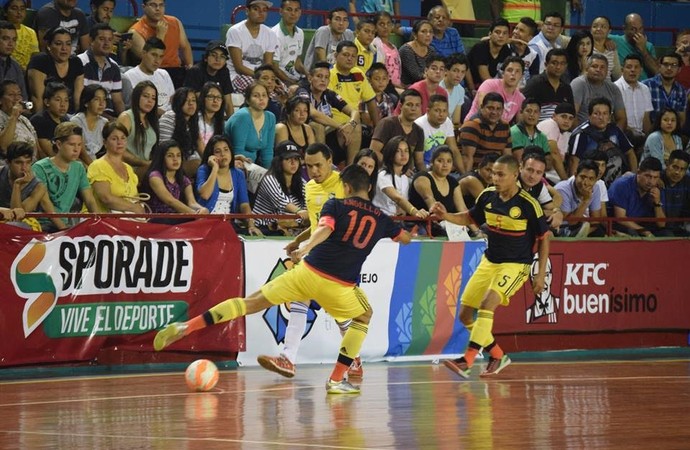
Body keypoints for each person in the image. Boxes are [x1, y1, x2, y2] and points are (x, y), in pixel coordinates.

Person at [154, 164, 412, 395]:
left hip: (306, 273)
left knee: (250, 302)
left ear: (345, 186)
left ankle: (187, 327)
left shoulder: (335, 205)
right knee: (363, 317)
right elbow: (405, 238)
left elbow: (324, 228)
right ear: (368, 188)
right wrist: (397, 228)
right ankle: (336, 380)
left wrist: (305, 248)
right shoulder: (382, 219)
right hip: (340, 285)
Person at [435, 154, 550, 378]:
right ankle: (498, 355)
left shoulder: (528, 204)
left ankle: (467, 360)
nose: (494, 178)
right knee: (466, 316)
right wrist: (445, 215)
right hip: (489, 261)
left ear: (515, 176)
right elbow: (470, 218)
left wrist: (541, 273)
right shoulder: (487, 196)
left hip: (516, 266)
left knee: (488, 304)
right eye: (492, 173)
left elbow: (544, 238)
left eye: (500, 174)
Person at [32, 122, 99, 230]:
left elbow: (90, 199)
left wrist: (99, 221)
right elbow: (45, 203)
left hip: (65, 226)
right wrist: (64, 229)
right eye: (72, 144)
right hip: (41, 225)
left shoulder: (79, 168)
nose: (76, 149)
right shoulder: (39, 167)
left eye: (79, 145)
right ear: (58, 144)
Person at [195, 135, 261, 235]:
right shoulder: (204, 170)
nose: (223, 154)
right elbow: (205, 194)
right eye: (218, 151)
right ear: (211, 155)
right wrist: (215, 169)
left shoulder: (238, 174)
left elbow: (244, 204)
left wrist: (251, 225)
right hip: (206, 224)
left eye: (226, 150)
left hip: (228, 225)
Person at [328, 40, 378, 164]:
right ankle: (351, 168)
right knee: (356, 127)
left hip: (353, 123)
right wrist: (344, 126)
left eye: (353, 56)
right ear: (335, 56)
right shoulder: (329, 75)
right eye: (345, 55)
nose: (349, 58)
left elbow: (371, 101)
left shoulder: (358, 74)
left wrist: (378, 127)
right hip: (333, 126)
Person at [568, 97, 636, 186]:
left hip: (617, 182)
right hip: (589, 183)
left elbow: (630, 154)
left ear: (610, 116)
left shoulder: (615, 130)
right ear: (589, 115)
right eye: (597, 114)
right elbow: (574, 161)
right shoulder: (581, 134)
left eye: (605, 113)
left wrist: (634, 177)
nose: (601, 117)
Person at [295, 61, 359, 156]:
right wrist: (340, 127)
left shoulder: (330, 94)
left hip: (327, 134)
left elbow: (354, 111)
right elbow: (313, 113)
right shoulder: (303, 91)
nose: (323, 80)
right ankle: (319, 161)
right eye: (319, 76)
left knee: (356, 127)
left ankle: (351, 168)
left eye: (326, 77)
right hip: (304, 133)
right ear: (310, 78)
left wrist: (351, 124)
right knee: (318, 126)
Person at [409, 145, 473, 237]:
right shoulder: (422, 177)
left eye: (449, 161)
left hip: (446, 226)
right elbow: (429, 198)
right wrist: (442, 216)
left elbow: (462, 208)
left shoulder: (453, 182)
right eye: (440, 161)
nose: (445, 165)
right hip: (421, 226)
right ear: (432, 162)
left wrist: (477, 231)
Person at [129, 0, 193, 88]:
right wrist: (160, 35)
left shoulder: (174, 22)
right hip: (153, 72)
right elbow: (147, 59)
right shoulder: (136, 32)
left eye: (161, 5)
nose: (158, 9)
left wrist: (191, 69)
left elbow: (185, 46)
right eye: (153, 5)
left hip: (176, 71)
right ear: (144, 7)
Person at [0, 141, 62, 231]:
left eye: (28, 162)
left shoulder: (38, 187)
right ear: (8, 162)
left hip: (20, 227)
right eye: (18, 163)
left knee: (17, 226)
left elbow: (18, 216)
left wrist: (17, 185)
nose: (24, 168)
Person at [87, 121, 146, 214]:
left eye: (123, 138)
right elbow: (106, 198)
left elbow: (135, 198)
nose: (120, 142)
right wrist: (134, 208)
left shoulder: (128, 168)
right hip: (101, 221)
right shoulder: (98, 165)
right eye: (114, 139)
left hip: (126, 220)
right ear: (105, 143)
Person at [141, 140, 208, 220]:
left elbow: (192, 202)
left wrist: (201, 210)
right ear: (162, 158)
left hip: (175, 218)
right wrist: (194, 214)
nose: (175, 159)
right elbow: (170, 201)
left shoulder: (184, 179)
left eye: (178, 155)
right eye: (170, 156)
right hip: (156, 219)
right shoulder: (155, 176)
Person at [252, 140, 308, 235]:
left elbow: (308, 201)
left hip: (289, 228)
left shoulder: (301, 182)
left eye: (296, 158)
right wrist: (300, 211)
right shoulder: (269, 179)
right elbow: (281, 202)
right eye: (288, 159)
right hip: (264, 228)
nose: (293, 162)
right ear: (279, 161)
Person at [27, 26, 84, 114]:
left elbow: (78, 99)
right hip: (46, 115)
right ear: (49, 46)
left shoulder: (76, 63)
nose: (64, 48)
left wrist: (78, 120)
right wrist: (40, 123)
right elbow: (37, 99)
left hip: (69, 115)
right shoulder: (40, 61)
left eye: (68, 44)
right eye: (58, 43)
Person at [225, 0, 277, 93]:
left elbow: (268, 65)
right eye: (256, 9)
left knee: (285, 90)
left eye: (264, 10)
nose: (261, 13)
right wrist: (261, 78)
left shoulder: (271, 34)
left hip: (261, 76)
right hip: (237, 75)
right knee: (259, 91)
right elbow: (239, 67)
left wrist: (269, 79)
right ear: (247, 11)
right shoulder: (235, 31)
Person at [608, 157, 669, 237]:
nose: (651, 182)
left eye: (655, 177)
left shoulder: (657, 189)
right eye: (648, 176)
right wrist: (645, 231)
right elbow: (620, 218)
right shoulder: (622, 185)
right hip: (620, 226)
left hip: (642, 225)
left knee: (667, 234)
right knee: (633, 234)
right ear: (638, 172)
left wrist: (657, 203)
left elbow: (661, 224)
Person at [373, 135, 429, 219]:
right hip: (381, 220)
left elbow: (404, 205)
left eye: (406, 151)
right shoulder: (383, 175)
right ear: (390, 153)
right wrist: (415, 212)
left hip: (399, 222)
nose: (403, 154)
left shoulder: (406, 178)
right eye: (398, 151)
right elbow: (397, 198)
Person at [78, 23, 125, 118]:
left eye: (110, 40)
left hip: (109, 117)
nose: (107, 43)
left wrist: (123, 121)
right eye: (102, 39)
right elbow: (80, 100)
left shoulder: (114, 67)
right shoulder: (79, 62)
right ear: (91, 41)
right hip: (86, 115)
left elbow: (118, 101)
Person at [225, 82, 276, 169]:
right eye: (256, 96)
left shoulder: (270, 117)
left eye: (264, 95)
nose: (261, 99)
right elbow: (238, 153)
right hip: (232, 165)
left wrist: (269, 174)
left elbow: (267, 152)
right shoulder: (243, 116)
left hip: (252, 166)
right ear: (248, 100)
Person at [571, 54, 627, 130]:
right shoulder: (578, 84)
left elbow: (622, 118)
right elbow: (572, 115)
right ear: (587, 69)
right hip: (584, 133)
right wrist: (583, 135)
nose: (598, 70)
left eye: (602, 67)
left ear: (607, 71)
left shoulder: (613, 88)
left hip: (607, 134)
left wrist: (613, 137)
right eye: (594, 66)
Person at [465, 56, 525, 125]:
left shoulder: (520, 98)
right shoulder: (489, 84)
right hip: (474, 126)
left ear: (522, 76)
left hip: (498, 133)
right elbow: (483, 110)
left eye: (517, 71)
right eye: (509, 70)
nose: (513, 74)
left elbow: (520, 125)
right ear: (503, 73)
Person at [460, 92, 512, 171]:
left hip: (495, 173)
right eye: (490, 108)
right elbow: (467, 157)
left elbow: (507, 157)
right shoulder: (472, 125)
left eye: (498, 109)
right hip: (475, 172)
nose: (494, 112)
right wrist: (467, 179)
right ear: (481, 108)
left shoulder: (505, 127)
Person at [370, 89, 426, 164]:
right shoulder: (387, 124)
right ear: (400, 106)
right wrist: (395, 167)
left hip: (407, 173)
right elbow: (373, 151)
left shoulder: (419, 131)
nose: (413, 109)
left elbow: (419, 162)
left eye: (417, 105)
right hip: (385, 171)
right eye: (409, 104)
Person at [117, 80, 159, 175]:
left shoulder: (151, 120)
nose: (150, 101)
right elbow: (118, 149)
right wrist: (145, 163)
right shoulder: (126, 118)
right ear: (136, 97)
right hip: (128, 168)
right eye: (146, 96)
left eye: (153, 98)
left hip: (147, 167)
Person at [183, 40, 234, 118]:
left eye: (222, 56)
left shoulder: (224, 72)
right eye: (214, 55)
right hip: (196, 116)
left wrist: (232, 124)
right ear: (206, 58)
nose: (218, 59)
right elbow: (200, 101)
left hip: (215, 116)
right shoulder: (195, 71)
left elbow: (228, 103)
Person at [121, 37, 174, 113]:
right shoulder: (129, 77)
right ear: (143, 53)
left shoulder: (164, 74)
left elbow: (172, 102)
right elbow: (137, 106)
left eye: (161, 57)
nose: (157, 61)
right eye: (154, 55)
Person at [159, 87, 202, 177]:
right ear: (178, 103)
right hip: (168, 164)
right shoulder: (170, 117)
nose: (191, 104)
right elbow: (163, 149)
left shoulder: (192, 121)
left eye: (193, 100)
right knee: (198, 165)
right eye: (186, 100)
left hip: (186, 161)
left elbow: (201, 146)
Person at [554, 159, 604, 237]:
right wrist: (585, 200)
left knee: (600, 231)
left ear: (596, 179)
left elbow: (595, 220)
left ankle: (579, 233)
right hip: (561, 227)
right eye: (583, 177)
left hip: (579, 224)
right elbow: (570, 222)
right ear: (575, 175)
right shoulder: (562, 189)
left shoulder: (595, 188)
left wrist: (585, 231)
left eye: (591, 179)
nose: (586, 182)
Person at [522, 48, 573, 123]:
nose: (558, 67)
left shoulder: (566, 88)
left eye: (562, 63)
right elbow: (522, 107)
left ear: (566, 66)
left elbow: (571, 112)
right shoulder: (535, 83)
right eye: (554, 63)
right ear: (546, 64)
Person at [614, 54, 653, 152]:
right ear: (622, 70)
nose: (633, 70)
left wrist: (649, 139)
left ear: (641, 70)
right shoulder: (615, 88)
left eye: (636, 67)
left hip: (641, 136)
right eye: (629, 67)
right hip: (622, 134)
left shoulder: (645, 89)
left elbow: (646, 118)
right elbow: (613, 118)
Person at [414, 94, 462, 173]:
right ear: (428, 111)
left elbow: (454, 150)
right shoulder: (419, 125)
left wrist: (464, 175)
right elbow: (419, 161)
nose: (441, 114)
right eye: (437, 110)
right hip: (422, 171)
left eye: (444, 111)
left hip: (440, 169)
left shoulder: (447, 122)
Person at [517, 149, 563, 229]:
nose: (532, 176)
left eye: (538, 172)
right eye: (530, 170)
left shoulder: (539, 186)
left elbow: (551, 207)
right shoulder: (511, 183)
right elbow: (519, 213)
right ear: (521, 168)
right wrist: (545, 213)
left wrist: (558, 212)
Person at [641, 53, 687, 126]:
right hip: (650, 132)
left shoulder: (681, 91)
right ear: (659, 66)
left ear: (679, 69)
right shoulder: (645, 86)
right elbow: (642, 116)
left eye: (674, 65)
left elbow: (681, 119)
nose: (669, 68)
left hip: (672, 134)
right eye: (666, 64)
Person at [609, 13, 658, 81]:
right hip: (623, 84)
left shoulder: (649, 46)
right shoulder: (615, 40)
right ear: (624, 29)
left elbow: (656, 72)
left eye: (640, 29)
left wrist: (644, 50)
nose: (638, 33)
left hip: (643, 84)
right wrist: (605, 40)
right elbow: (593, 37)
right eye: (633, 29)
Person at [466, 18, 511, 91]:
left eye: (505, 33)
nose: (501, 36)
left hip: (491, 86)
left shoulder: (506, 50)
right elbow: (485, 78)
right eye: (497, 32)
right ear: (490, 34)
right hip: (473, 87)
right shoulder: (481, 48)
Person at [30, 82, 69, 159]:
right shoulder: (39, 121)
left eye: (66, 100)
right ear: (47, 102)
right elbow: (50, 152)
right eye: (58, 100)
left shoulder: (65, 120)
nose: (63, 104)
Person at [70, 83, 109, 162]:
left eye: (104, 99)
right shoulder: (76, 122)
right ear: (86, 103)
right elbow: (81, 152)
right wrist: (94, 168)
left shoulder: (105, 123)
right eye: (96, 99)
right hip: (80, 162)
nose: (102, 103)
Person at [537, 102, 574, 184]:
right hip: (541, 175)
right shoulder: (550, 124)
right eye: (563, 116)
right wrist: (566, 182)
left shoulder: (566, 134)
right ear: (554, 116)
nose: (567, 121)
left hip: (553, 177)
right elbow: (554, 153)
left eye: (570, 118)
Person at [272, 0, 307, 86]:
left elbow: (297, 61)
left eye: (296, 10)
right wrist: (292, 83)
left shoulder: (300, 32)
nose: (293, 13)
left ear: (300, 12)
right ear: (281, 11)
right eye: (289, 9)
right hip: (278, 79)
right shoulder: (273, 34)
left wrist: (308, 74)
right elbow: (274, 68)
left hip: (295, 77)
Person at [0, 80, 38, 156]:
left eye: (19, 94)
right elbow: (3, 146)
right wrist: (13, 116)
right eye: (11, 95)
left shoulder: (24, 120)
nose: (17, 98)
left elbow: (37, 147)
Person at [661, 150, 690, 236]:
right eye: (675, 167)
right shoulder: (656, 178)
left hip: (679, 227)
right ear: (667, 164)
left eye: (682, 169)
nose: (677, 172)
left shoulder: (687, 181)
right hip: (658, 228)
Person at [2, 0, 38, 70]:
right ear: (5, 12)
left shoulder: (31, 32)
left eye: (22, 9)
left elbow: (35, 56)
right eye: (14, 8)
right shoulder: (2, 30)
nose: (19, 12)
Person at [505, 16, 539, 89]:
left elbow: (533, 80)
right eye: (516, 28)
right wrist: (507, 40)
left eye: (521, 30)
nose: (515, 32)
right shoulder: (504, 48)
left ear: (530, 37)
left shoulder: (533, 55)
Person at [399, 20, 436, 87]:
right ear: (415, 35)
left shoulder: (432, 50)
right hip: (409, 87)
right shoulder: (406, 50)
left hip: (427, 84)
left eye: (430, 32)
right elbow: (417, 76)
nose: (428, 35)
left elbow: (434, 69)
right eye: (423, 32)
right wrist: (435, 77)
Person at [371, 11, 401, 90]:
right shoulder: (374, 44)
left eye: (388, 23)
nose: (385, 27)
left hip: (397, 85)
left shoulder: (393, 47)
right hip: (384, 86)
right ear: (375, 27)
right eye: (381, 24)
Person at [0, 20, 27, 99]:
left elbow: (23, 98)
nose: (11, 44)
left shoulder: (16, 67)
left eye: (14, 40)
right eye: (5, 39)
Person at [440, 54, 467, 130]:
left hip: (449, 129)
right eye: (455, 71)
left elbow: (456, 121)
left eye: (462, 72)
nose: (459, 75)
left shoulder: (461, 90)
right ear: (446, 71)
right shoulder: (438, 87)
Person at [591, 15, 621, 81]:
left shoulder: (612, 50)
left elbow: (617, 75)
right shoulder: (586, 47)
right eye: (595, 26)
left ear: (609, 31)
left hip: (607, 88)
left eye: (603, 27)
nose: (598, 29)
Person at [197, 82, 226, 147]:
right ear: (203, 99)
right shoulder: (195, 119)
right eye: (211, 97)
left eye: (219, 97)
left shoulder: (220, 123)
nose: (215, 100)